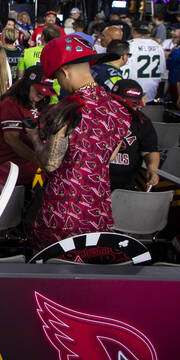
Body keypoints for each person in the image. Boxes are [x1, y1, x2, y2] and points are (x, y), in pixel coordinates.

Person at [29, 35, 130, 252]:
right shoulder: (119, 109)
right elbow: (108, 158)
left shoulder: (67, 109)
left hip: (63, 210)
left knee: (54, 276)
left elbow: (51, 163)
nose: (59, 83)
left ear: (64, 71)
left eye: (57, 77)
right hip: (98, 210)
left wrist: (34, 139)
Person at [0, 65, 54, 187]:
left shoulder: (40, 105)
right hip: (7, 167)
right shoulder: (11, 103)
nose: (42, 95)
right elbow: (12, 140)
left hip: (29, 166)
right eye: (39, 90)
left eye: (45, 92)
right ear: (28, 85)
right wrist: (39, 161)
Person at [108, 80, 161, 191]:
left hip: (126, 185)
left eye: (134, 107)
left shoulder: (142, 121)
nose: (132, 110)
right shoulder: (100, 119)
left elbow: (150, 150)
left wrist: (152, 168)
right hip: (97, 182)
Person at [124, 23, 166, 103]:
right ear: (148, 32)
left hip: (131, 94)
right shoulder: (158, 46)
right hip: (152, 95)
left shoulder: (128, 45)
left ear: (133, 31)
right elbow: (162, 73)